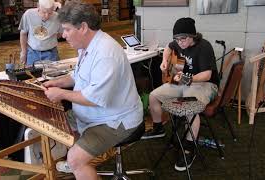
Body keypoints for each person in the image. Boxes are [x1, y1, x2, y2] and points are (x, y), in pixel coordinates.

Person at [43, 2, 143, 180]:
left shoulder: (105, 53)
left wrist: (61, 94)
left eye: (66, 29)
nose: (63, 35)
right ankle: (80, 160)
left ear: (82, 27)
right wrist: (56, 82)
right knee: (58, 124)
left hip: (116, 120)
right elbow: (77, 75)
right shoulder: (87, 46)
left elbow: (94, 98)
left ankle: (77, 162)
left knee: (75, 159)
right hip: (98, 114)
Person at [141, 17, 220, 171]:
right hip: (184, 81)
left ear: (193, 36)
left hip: (206, 84)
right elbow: (169, 48)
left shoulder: (204, 47)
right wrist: (164, 60)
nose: (180, 42)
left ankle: (189, 147)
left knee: (190, 106)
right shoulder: (177, 42)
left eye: (183, 39)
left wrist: (187, 79)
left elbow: (207, 75)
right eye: (177, 39)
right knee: (153, 96)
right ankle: (158, 128)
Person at [19, 0, 62, 66]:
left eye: (50, 13)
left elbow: (60, 34)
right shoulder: (28, 14)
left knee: (53, 74)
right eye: (44, 12)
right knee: (32, 75)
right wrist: (24, 52)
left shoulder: (57, 17)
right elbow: (23, 34)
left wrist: (49, 40)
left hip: (51, 53)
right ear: (38, 6)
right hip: (32, 52)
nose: (47, 16)